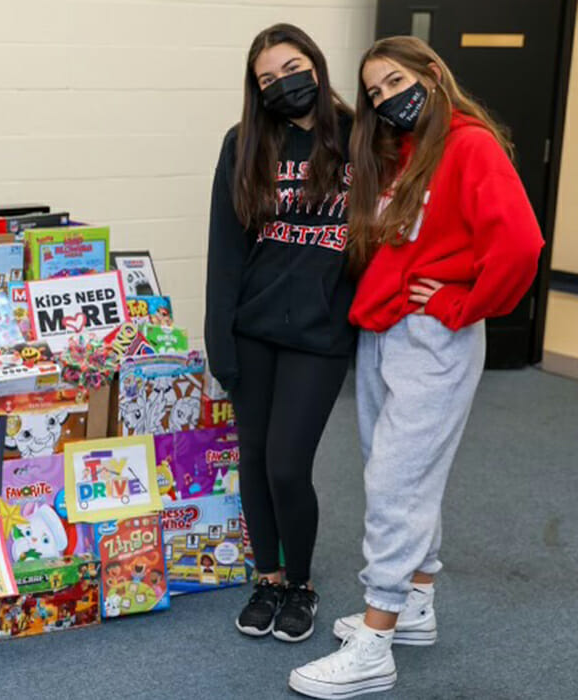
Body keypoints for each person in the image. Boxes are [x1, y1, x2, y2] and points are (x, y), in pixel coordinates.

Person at [288, 36, 543, 698]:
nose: (386, 99)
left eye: (395, 82)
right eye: (374, 93)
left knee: (398, 484)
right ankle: (416, 604)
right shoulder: (403, 153)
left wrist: (464, 304)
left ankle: (374, 644)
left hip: (432, 336)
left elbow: (519, 244)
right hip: (385, 331)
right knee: (395, 471)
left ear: (432, 73)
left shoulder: (470, 143)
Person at [205, 23, 356, 643]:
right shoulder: (244, 143)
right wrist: (221, 339)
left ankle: (301, 583)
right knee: (257, 461)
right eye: (267, 78)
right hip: (254, 328)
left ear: (316, 66)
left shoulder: (361, 137)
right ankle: (266, 578)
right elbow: (225, 248)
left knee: (289, 466)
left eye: (291, 68)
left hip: (321, 332)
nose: (281, 84)